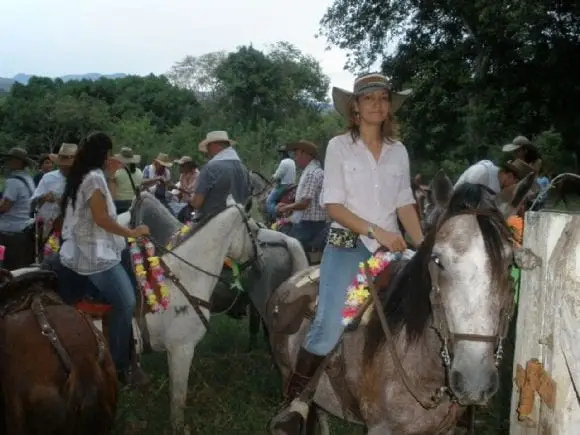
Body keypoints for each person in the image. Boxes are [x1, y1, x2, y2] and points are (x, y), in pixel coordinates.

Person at [270, 73, 423, 433]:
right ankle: (297, 401)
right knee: (328, 322)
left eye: (384, 98)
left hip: (391, 248)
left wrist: (424, 245)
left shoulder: (398, 151)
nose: (377, 104)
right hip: (347, 244)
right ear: (355, 107)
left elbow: (404, 202)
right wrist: (376, 231)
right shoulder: (339, 146)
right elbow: (333, 205)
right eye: (369, 98)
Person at [59, 131, 150, 384]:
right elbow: (101, 219)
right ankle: (119, 366)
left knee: (129, 278)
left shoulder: (86, 176)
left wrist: (109, 175)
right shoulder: (95, 178)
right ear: (106, 154)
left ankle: (128, 348)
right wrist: (132, 232)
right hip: (95, 254)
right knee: (126, 302)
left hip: (89, 247)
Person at [275, 140, 326, 251]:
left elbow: (304, 204)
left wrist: (286, 207)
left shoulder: (312, 173)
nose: (295, 159)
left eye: (297, 155)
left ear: (306, 154)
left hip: (311, 225)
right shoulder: (312, 172)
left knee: (285, 246)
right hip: (310, 223)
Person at [190, 131, 250, 220]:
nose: (207, 151)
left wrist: (191, 199)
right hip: (239, 220)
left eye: (208, 147)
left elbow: (196, 203)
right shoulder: (244, 169)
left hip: (212, 222)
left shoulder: (210, 168)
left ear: (214, 145)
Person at [31, 143, 78, 237]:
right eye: (62, 165)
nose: (65, 168)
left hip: (71, 229)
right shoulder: (48, 177)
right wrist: (44, 197)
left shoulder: (81, 179)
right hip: (46, 228)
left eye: (68, 166)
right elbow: (33, 202)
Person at [0, 147, 36, 269]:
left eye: (11, 159)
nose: (8, 162)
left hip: (10, 231)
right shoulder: (28, 178)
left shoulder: (13, 182)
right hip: (24, 228)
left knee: (8, 268)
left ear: (18, 162)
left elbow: (4, 207)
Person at [455, 158, 535, 194]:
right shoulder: (481, 174)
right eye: (516, 183)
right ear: (510, 176)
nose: (514, 188)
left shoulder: (499, 185)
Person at [266, 146, 296, 219]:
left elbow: (278, 175)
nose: (279, 155)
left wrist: (273, 177)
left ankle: (275, 216)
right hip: (292, 185)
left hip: (283, 186)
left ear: (282, 154)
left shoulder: (283, 162)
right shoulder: (292, 161)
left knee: (269, 201)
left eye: (280, 153)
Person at [112, 147, 143, 214]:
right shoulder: (140, 172)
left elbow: (112, 191)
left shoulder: (117, 173)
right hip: (134, 203)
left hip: (120, 205)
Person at [171, 156, 199, 222]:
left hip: (193, 204)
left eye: (182, 166)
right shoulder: (183, 174)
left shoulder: (196, 175)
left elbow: (190, 192)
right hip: (184, 203)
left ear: (188, 166)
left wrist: (176, 188)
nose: (180, 167)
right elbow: (182, 190)